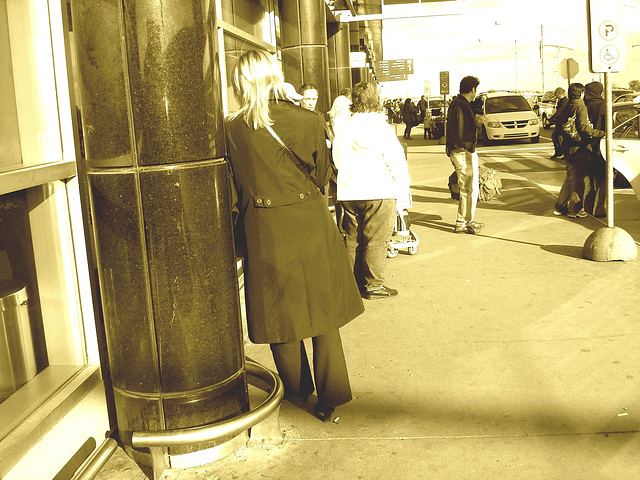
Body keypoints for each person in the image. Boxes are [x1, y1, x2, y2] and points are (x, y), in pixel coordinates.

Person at [225, 50, 364, 422]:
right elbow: (321, 177)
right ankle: (331, 394)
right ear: (274, 75)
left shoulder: (232, 129)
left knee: (279, 314)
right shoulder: (308, 119)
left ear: (241, 82)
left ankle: (298, 391)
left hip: (265, 228)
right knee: (321, 310)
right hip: (310, 221)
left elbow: (234, 190)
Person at [332, 81, 411, 299]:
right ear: (376, 99)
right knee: (376, 239)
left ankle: (351, 285)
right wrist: (403, 190)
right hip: (379, 190)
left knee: (352, 238)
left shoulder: (345, 127)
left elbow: (337, 159)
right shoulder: (381, 127)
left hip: (349, 191)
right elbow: (396, 161)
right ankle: (374, 285)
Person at [553, 82, 605, 218]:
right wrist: (601, 133)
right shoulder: (580, 106)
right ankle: (574, 209)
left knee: (570, 177)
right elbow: (583, 126)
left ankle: (560, 206)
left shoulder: (566, 106)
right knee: (578, 180)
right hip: (579, 147)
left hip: (567, 146)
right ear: (581, 93)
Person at [446, 75, 483, 234]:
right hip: (463, 151)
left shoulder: (456, 103)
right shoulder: (462, 106)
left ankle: (465, 220)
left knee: (466, 188)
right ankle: (465, 222)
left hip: (457, 151)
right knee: (469, 189)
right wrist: (467, 147)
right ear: (473, 89)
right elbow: (461, 132)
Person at [583, 81, 607, 218]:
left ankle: (587, 207)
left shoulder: (584, 105)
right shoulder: (603, 106)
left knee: (588, 180)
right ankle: (599, 209)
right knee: (602, 180)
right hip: (599, 147)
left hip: (584, 147)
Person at [548, 87, 569, 159]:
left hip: (563, 122)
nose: (555, 95)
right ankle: (560, 152)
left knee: (559, 137)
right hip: (560, 122)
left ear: (559, 93)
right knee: (557, 137)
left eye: (556, 93)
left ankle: (561, 152)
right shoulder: (561, 101)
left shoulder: (564, 101)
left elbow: (559, 112)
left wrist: (551, 119)